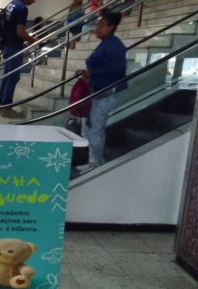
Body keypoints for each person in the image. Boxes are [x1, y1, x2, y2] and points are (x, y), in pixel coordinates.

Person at [76, 12, 126, 174]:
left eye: (100, 25)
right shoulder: (106, 43)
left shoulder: (113, 44)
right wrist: (89, 73)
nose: (96, 28)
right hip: (98, 93)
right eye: (96, 24)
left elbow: (118, 69)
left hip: (107, 94)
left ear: (110, 27)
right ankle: (94, 161)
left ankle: (97, 163)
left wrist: (93, 73)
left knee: (94, 130)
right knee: (94, 129)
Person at [0, 0, 37, 118]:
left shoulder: (11, 4)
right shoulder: (22, 8)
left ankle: (1, 106)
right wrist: (32, 40)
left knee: (7, 76)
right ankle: (6, 108)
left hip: (6, 46)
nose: (35, 1)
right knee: (13, 78)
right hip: (14, 47)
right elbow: (20, 32)